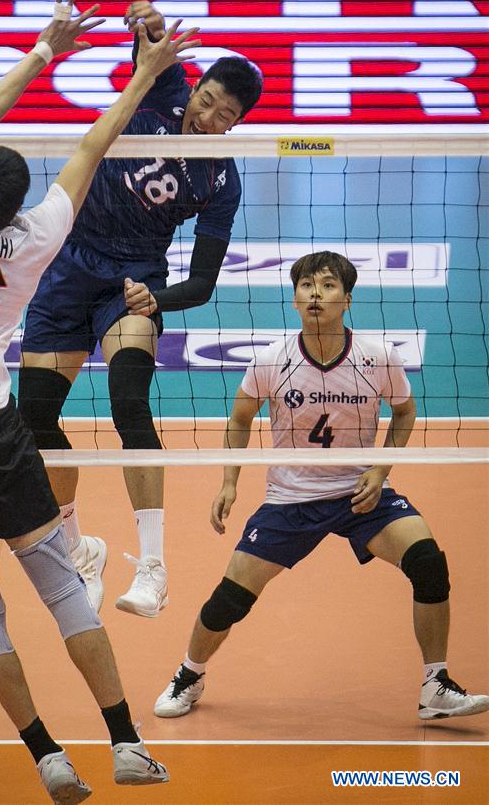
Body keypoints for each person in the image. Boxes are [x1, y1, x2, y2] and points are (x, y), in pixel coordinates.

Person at [0, 0, 200, 804]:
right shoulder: (33, 241)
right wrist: (147, 72)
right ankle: (125, 744)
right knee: (60, 582)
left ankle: (44, 756)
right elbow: (95, 144)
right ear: (12, 204)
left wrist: (42, 50)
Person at [154, 251, 489, 723]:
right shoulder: (273, 359)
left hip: (361, 494)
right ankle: (190, 673)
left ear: (347, 299)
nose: (316, 293)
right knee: (230, 599)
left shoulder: (378, 357)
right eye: (307, 285)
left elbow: (406, 411)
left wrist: (380, 469)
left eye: (328, 285)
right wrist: (229, 481)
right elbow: (240, 418)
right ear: (294, 300)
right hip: (291, 498)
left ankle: (435, 684)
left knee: (429, 564)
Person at [18, 0, 263, 619]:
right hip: (68, 266)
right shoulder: (161, 96)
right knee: (33, 422)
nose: (206, 116)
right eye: (206, 100)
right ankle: (80, 551)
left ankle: (153, 567)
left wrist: (158, 298)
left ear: (236, 125)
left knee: (129, 401)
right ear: (196, 87)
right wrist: (146, 12)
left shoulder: (220, 182)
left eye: (223, 115)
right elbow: (152, 40)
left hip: (133, 283)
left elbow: (203, 282)